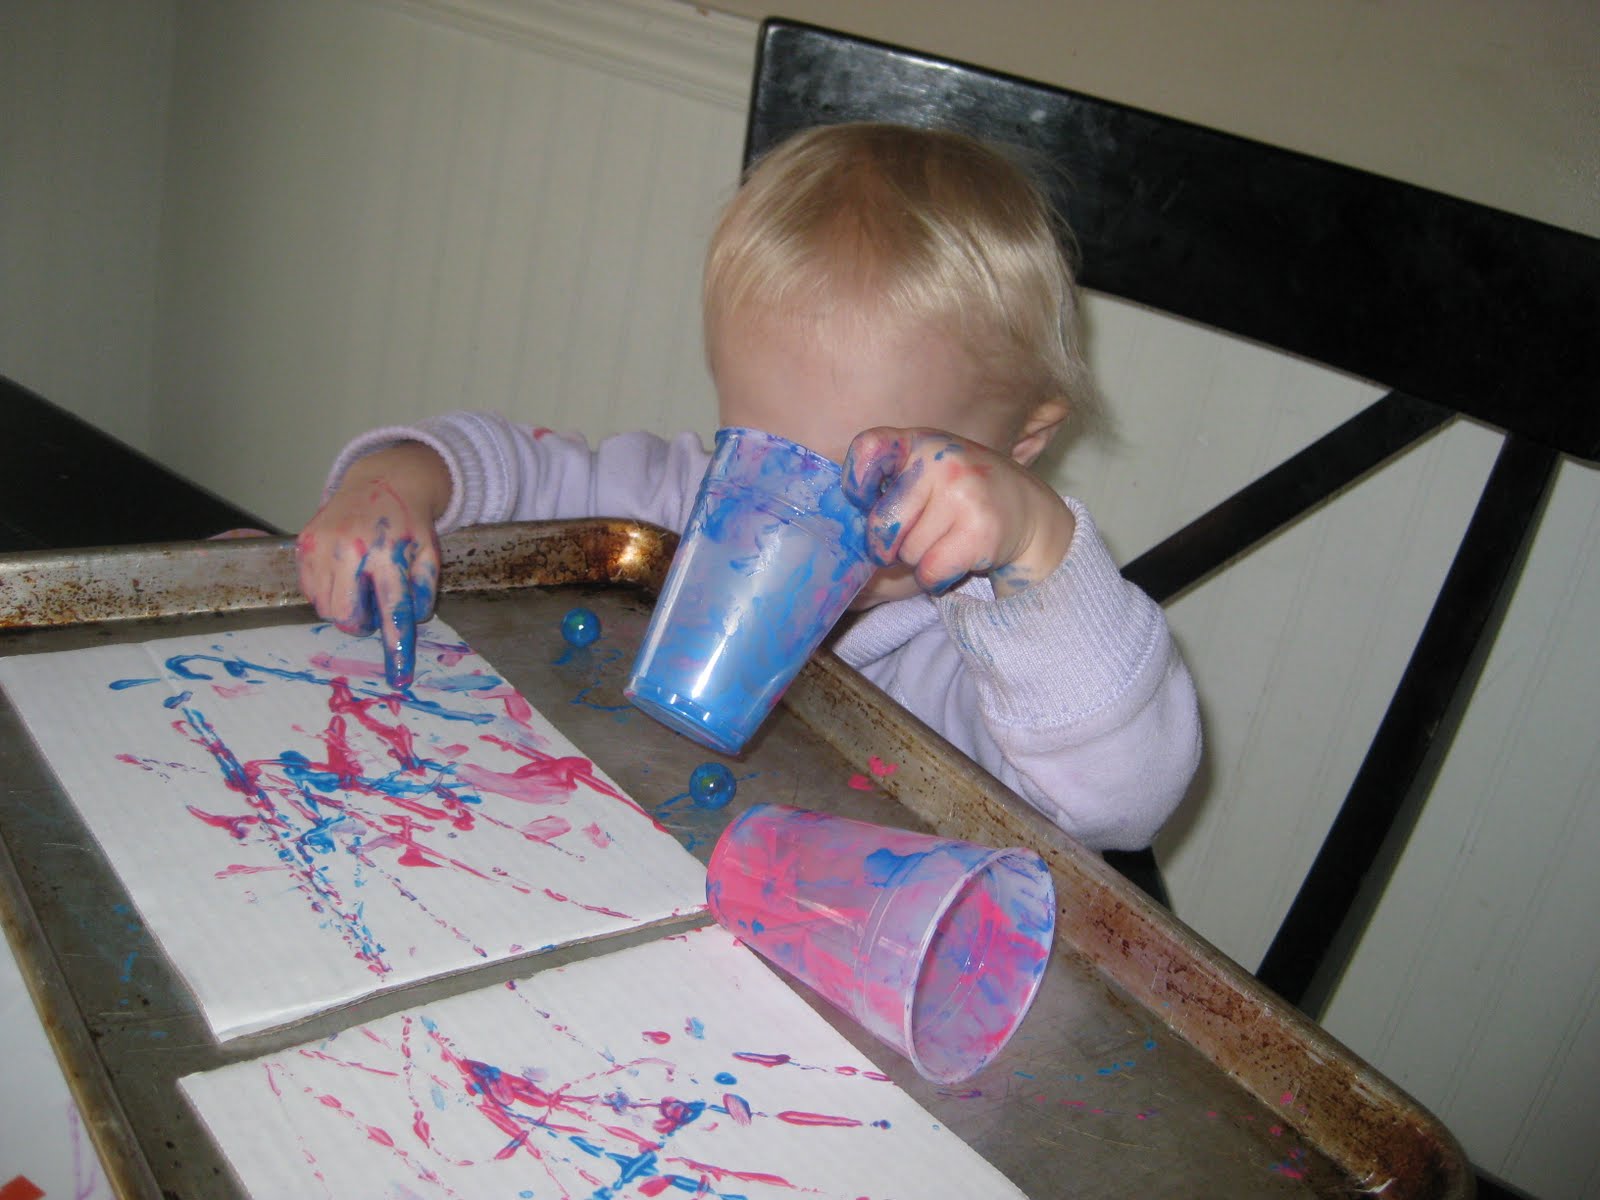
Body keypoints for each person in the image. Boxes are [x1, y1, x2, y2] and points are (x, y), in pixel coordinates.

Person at [297, 122, 1201, 854]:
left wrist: (1040, 547)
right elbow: (510, 469)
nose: (794, 512)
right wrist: (394, 482)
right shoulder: (673, 510)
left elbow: (1121, 805)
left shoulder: (972, 663)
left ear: (1015, 450)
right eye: (763, 450)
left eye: (868, 475)